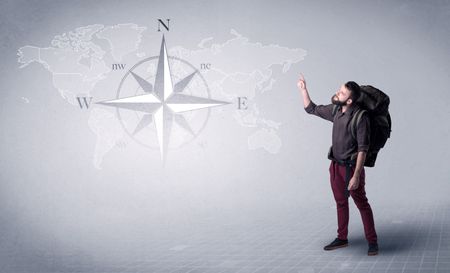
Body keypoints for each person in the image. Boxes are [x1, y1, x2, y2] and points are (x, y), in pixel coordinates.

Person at [297, 74, 378, 256]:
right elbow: (311, 109)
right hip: (335, 166)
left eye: (341, 93)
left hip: (351, 168)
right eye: (339, 90)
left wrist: (357, 175)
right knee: (341, 203)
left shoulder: (360, 117)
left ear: (349, 100)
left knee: (362, 204)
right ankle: (342, 238)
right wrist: (303, 89)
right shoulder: (336, 111)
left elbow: (363, 149)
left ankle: (373, 242)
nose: (337, 93)